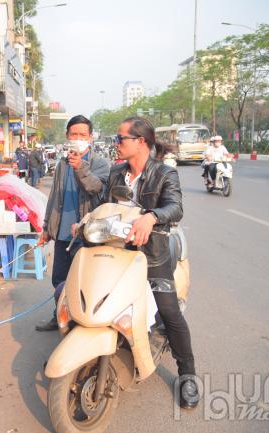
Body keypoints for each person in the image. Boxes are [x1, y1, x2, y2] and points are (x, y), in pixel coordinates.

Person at [106, 116, 199, 409]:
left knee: (170, 313)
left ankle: (188, 376)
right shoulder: (115, 173)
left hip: (153, 253)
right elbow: (103, 206)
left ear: (140, 142)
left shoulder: (164, 174)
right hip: (116, 252)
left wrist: (152, 215)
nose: (116, 144)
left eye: (120, 138)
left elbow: (176, 207)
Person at [35, 115, 110, 331]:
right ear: (67, 136)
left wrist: (80, 168)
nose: (78, 138)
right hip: (61, 233)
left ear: (90, 138)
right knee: (59, 278)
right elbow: (54, 197)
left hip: (85, 235)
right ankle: (59, 315)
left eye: (82, 135)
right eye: (74, 134)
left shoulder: (99, 163)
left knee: (82, 281)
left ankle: (80, 321)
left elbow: (96, 188)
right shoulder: (61, 163)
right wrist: (47, 227)